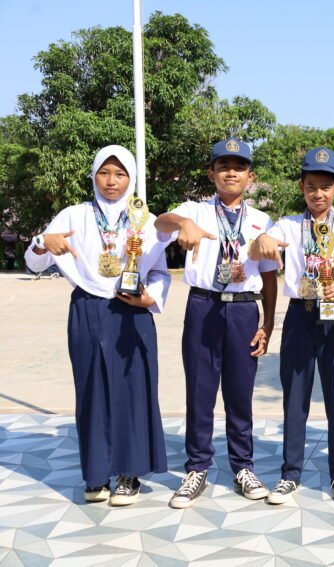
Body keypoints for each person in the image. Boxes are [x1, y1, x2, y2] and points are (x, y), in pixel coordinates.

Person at [25, 145, 170, 506]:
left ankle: (129, 474)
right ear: (93, 175)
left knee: (133, 390)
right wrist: (43, 243)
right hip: (87, 308)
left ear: (131, 179)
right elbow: (34, 262)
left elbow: (159, 273)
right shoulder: (73, 215)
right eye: (104, 172)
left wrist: (150, 297)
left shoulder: (144, 220)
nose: (111, 181)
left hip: (131, 310)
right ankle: (96, 474)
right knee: (91, 389)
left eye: (120, 174)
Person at [155, 138, 279, 508]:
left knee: (240, 394)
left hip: (244, 310)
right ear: (211, 173)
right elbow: (161, 222)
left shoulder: (262, 221)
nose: (230, 172)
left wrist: (268, 325)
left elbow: (270, 276)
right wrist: (183, 222)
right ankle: (197, 468)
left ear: (250, 176)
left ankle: (243, 465)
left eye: (238, 167)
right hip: (203, 307)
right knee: (200, 390)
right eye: (223, 166)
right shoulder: (194, 209)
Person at [251, 147, 334, 506]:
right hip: (300, 316)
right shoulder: (287, 225)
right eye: (310, 186)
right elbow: (259, 251)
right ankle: (290, 474)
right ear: (302, 187)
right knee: (296, 397)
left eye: (325, 186)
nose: (318, 194)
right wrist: (264, 240)